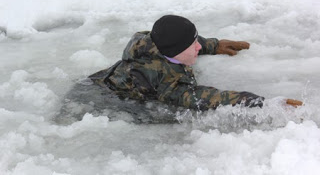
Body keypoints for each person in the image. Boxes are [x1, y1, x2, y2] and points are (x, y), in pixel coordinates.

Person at [88, 15, 265, 111]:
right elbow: (208, 99)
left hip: (100, 80)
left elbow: (182, 42)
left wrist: (214, 45)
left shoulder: (152, 43)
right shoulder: (165, 82)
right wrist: (261, 103)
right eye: (193, 45)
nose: (198, 47)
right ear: (175, 52)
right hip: (97, 100)